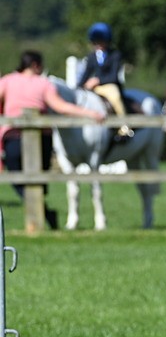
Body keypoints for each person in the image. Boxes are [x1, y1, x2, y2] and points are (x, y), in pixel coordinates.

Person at [0, 51, 105, 228]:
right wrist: (90, 113)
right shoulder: (44, 83)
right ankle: (45, 213)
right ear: (35, 65)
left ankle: (42, 217)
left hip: (13, 136)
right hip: (42, 137)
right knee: (38, 180)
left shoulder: (6, 81)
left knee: (17, 177)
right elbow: (61, 106)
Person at [78, 22, 133, 141]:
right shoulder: (91, 57)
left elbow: (113, 76)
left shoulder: (115, 55)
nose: (98, 44)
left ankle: (124, 127)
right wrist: (79, 86)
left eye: (101, 41)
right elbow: (86, 74)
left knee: (115, 98)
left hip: (110, 85)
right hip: (94, 87)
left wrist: (97, 80)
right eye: (96, 41)